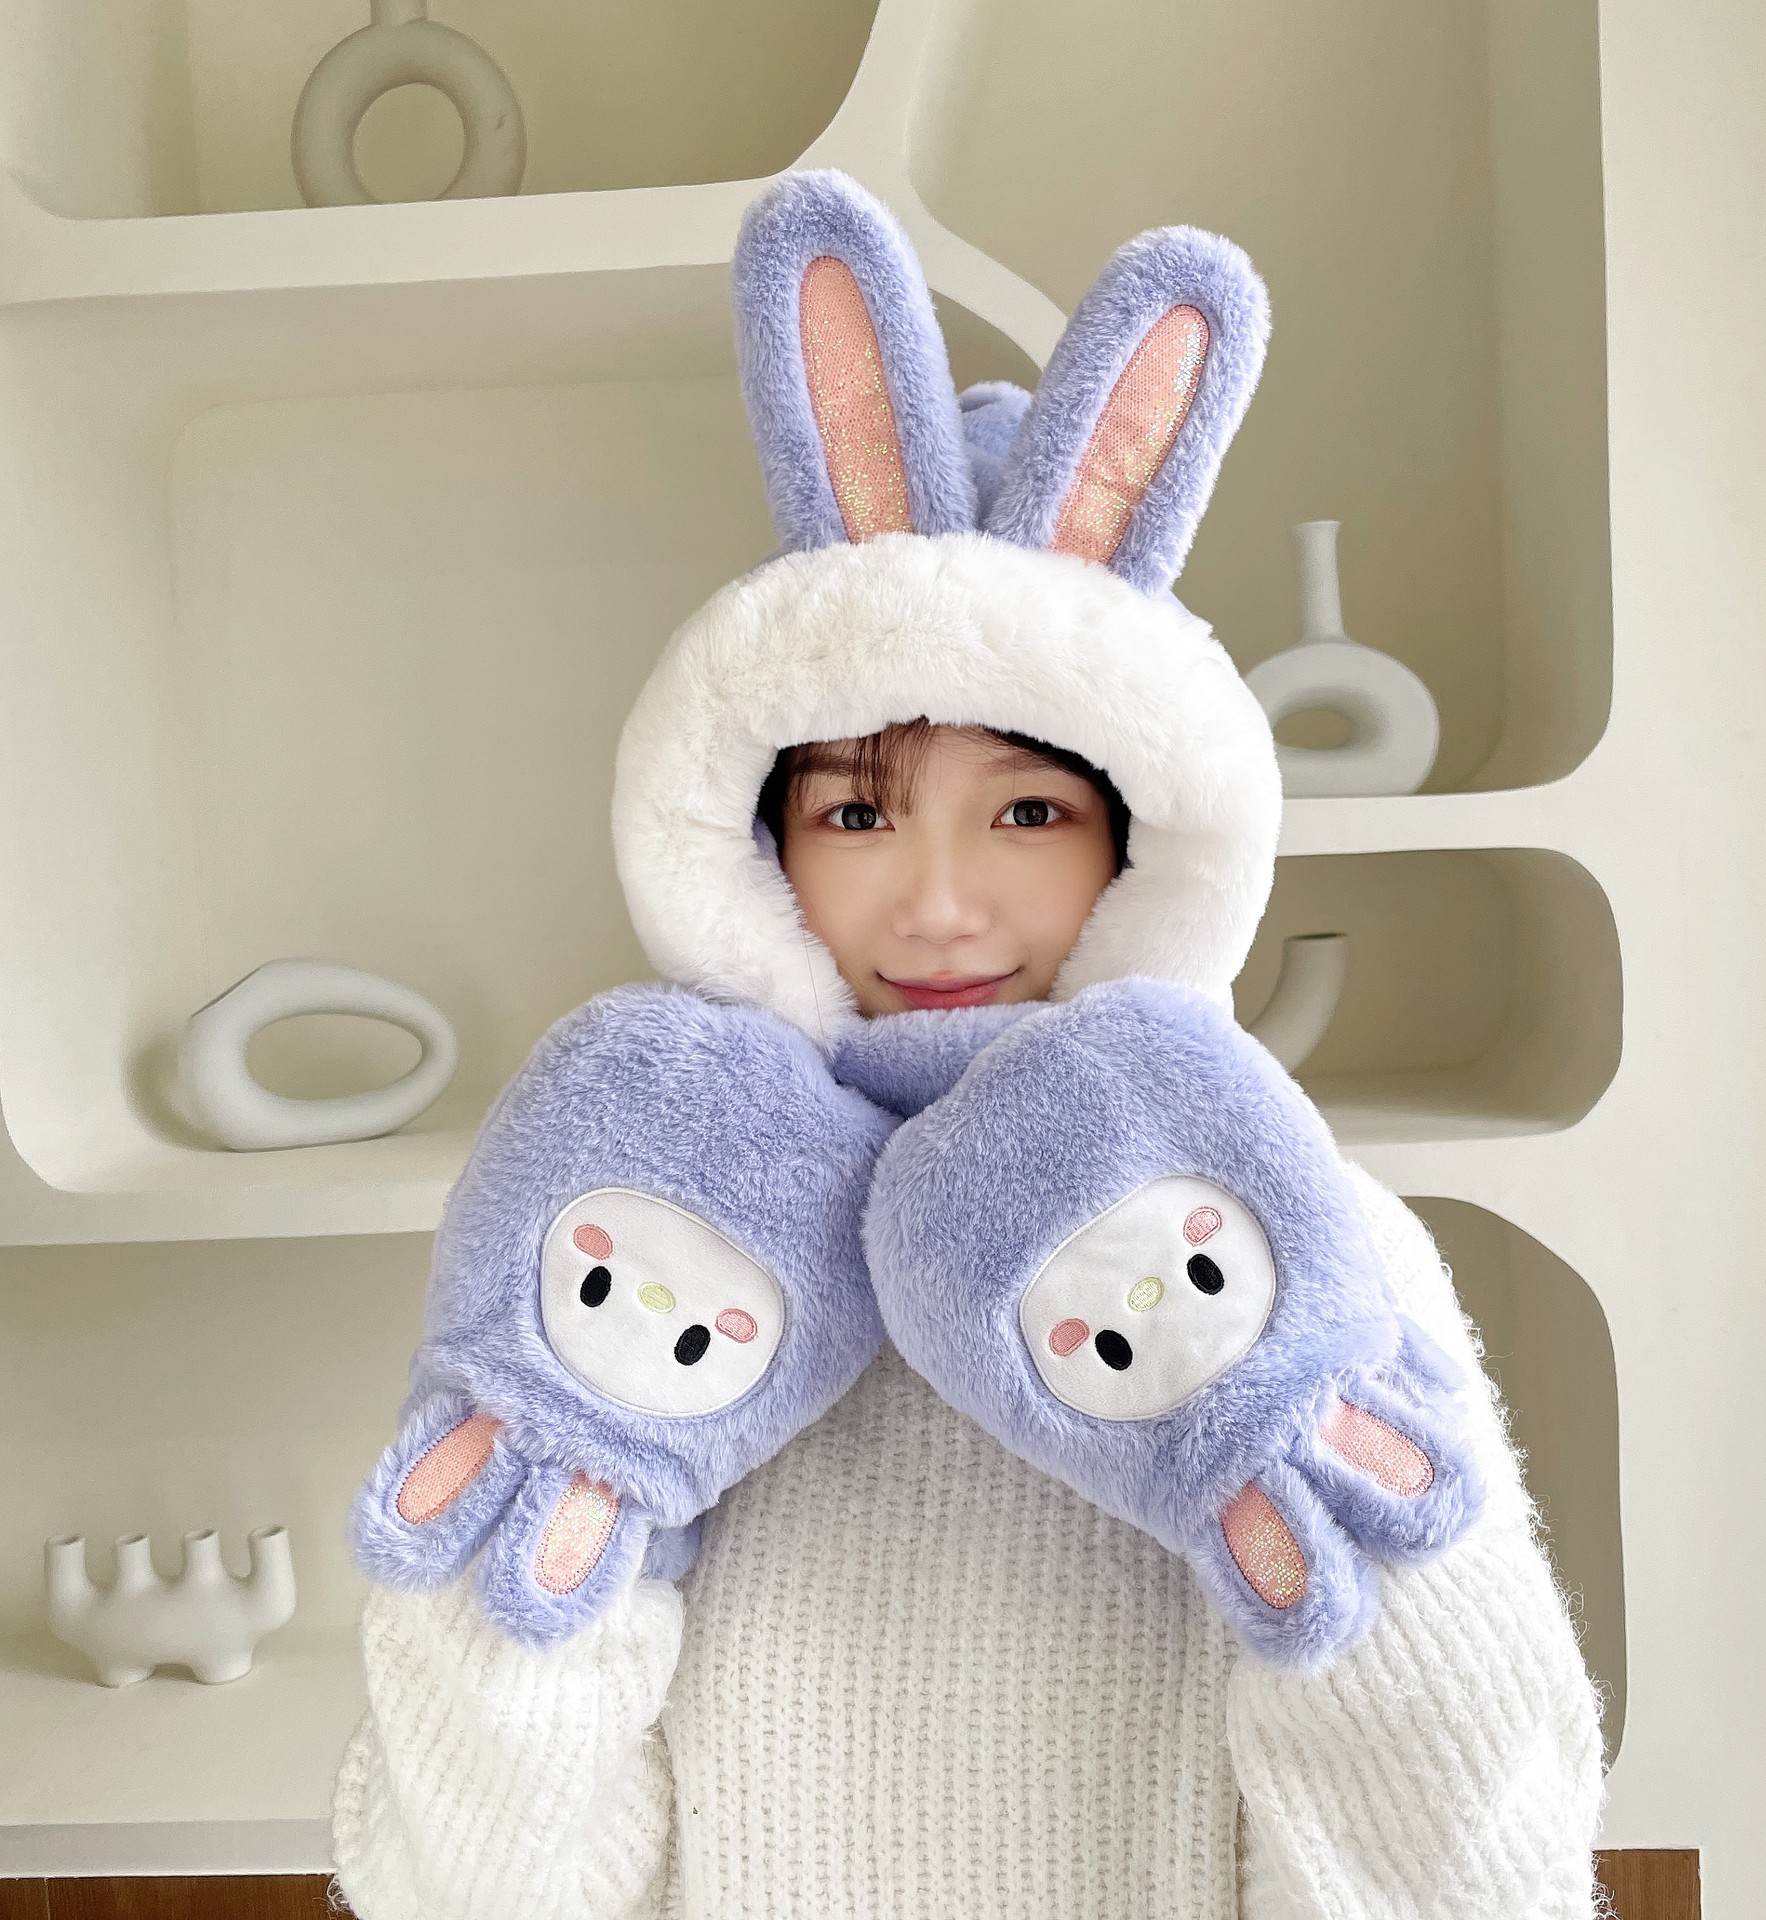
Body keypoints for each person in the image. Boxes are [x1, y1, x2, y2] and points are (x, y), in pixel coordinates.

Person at [333, 171, 1602, 1920]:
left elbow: (1475, 1881)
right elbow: (464, 1885)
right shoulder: (646, 1219)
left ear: (1139, 833)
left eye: (1026, 812)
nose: (937, 908)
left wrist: (1272, 1427)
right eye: (858, 814)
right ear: (757, 842)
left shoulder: (1298, 1229)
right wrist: (571, 1456)